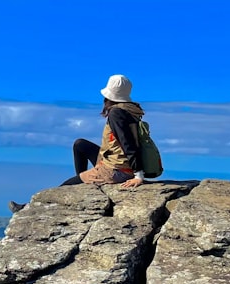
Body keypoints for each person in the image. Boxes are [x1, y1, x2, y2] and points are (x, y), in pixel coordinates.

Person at [9, 74, 147, 213]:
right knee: (80, 144)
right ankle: (85, 184)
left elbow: (128, 143)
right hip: (115, 160)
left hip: (117, 169)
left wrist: (138, 175)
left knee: (65, 186)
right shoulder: (130, 110)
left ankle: (28, 208)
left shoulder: (116, 113)